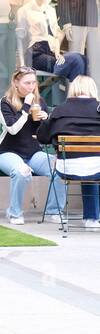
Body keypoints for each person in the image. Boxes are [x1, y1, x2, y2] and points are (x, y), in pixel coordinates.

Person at [0, 66, 65, 227]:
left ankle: (53, 211)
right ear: (16, 83)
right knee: (21, 171)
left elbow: (43, 135)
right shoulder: (5, 102)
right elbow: (12, 129)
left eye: (33, 83)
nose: (31, 86)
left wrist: (46, 120)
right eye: (27, 83)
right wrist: (25, 108)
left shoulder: (40, 102)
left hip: (33, 153)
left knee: (60, 167)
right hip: (8, 153)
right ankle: (14, 213)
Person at [37, 74, 100, 230]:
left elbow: (42, 137)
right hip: (97, 167)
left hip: (67, 168)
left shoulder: (60, 110)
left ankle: (91, 218)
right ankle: (92, 218)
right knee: (92, 167)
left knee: (88, 167)